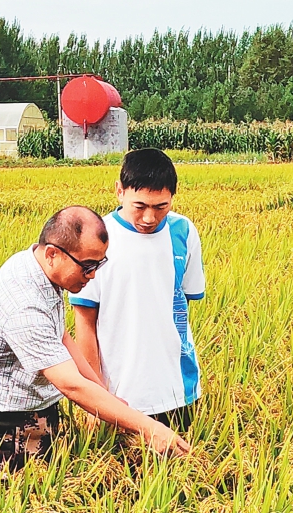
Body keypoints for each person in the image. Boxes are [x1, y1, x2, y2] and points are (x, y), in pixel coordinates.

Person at [0, 205, 190, 475]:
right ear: (52, 254)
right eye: (87, 266)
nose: (92, 275)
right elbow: (72, 386)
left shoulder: (37, 267)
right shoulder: (24, 304)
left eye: (99, 264)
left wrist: (102, 392)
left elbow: (60, 335)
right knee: (18, 507)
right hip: (2, 428)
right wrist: (150, 428)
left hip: (36, 409)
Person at [70, 148, 205, 433]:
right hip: (119, 394)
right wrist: (97, 395)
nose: (149, 217)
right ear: (119, 191)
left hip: (178, 388)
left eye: (161, 207)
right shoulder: (97, 237)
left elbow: (182, 304)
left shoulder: (184, 231)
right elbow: (84, 321)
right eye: (140, 206)